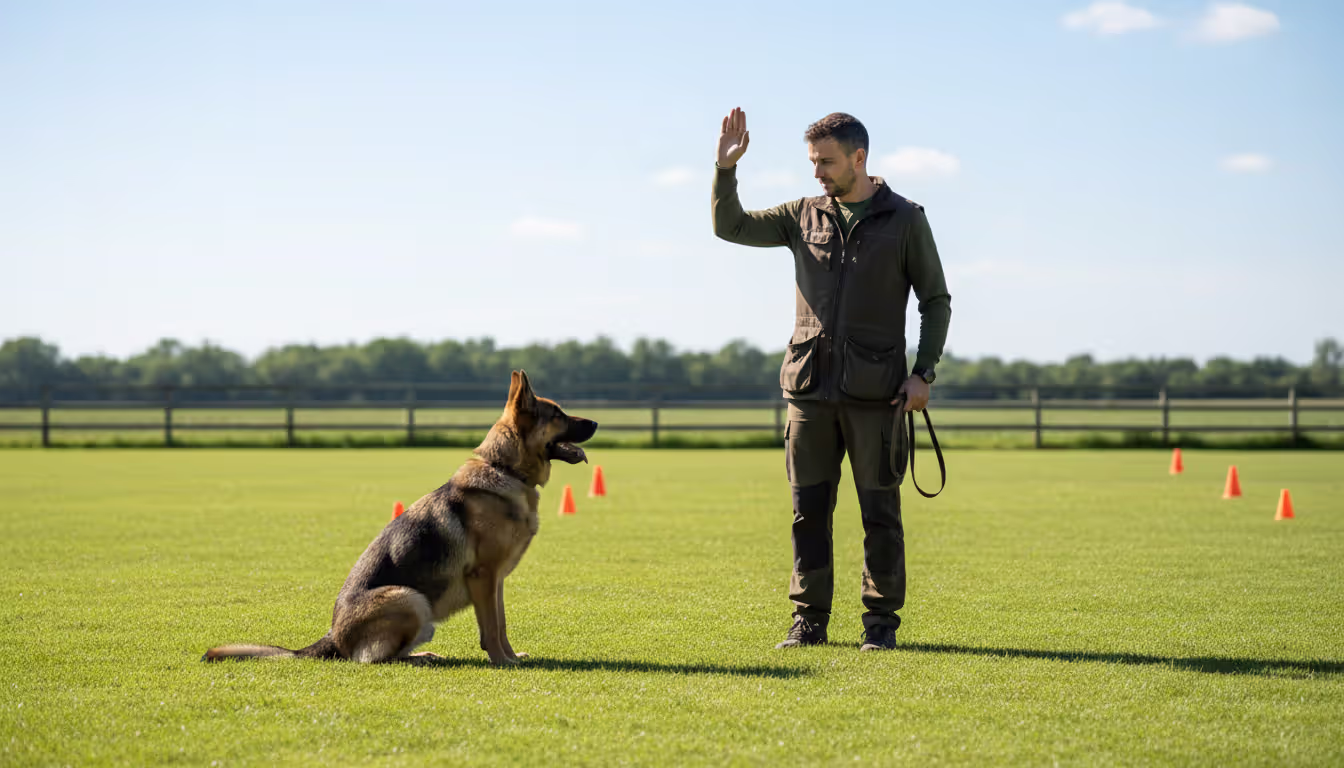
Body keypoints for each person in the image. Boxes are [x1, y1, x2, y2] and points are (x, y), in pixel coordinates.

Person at [711, 108, 951, 651]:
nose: (817, 171)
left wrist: (923, 372)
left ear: (859, 158)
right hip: (808, 394)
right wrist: (725, 171)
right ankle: (809, 622)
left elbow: (935, 301)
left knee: (880, 515)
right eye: (813, 161)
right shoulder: (800, 215)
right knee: (808, 512)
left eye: (827, 161)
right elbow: (731, 227)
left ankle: (881, 627)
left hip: (878, 396)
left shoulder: (906, 219)